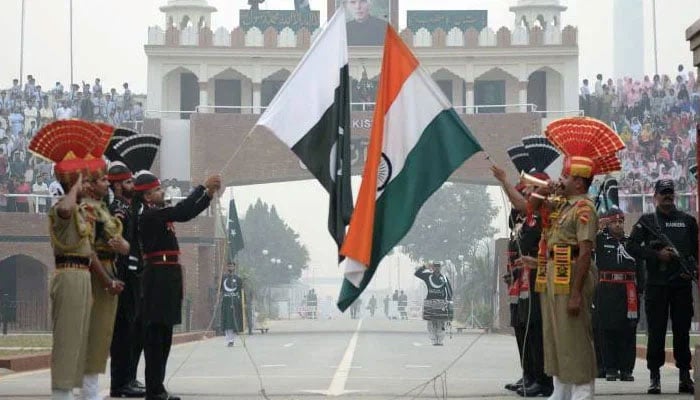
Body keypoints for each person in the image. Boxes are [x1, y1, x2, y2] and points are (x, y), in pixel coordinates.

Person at [519, 117, 625, 400]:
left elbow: (586, 250)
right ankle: (561, 387)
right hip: (555, 273)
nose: (560, 180)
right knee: (555, 333)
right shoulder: (563, 205)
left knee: (574, 336)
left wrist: (577, 292)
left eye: (565, 177)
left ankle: (582, 389)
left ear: (579, 181)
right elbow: (530, 207)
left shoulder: (584, 208)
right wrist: (544, 189)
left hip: (573, 275)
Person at [28, 120, 124, 400]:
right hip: (68, 274)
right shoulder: (62, 207)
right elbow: (66, 210)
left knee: (82, 338)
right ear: (73, 182)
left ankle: (74, 390)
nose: (90, 183)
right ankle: (61, 392)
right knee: (68, 337)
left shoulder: (86, 211)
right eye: (83, 179)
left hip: (83, 276)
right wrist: (75, 187)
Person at [135, 170, 221, 400]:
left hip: (168, 275)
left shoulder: (159, 213)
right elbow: (183, 212)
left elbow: (187, 212)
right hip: (157, 277)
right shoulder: (150, 215)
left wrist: (207, 196)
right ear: (146, 197)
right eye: (156, 190)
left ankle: (158, 386)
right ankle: (154, 388)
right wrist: (202, 189)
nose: (161, 192)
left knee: (165, 335)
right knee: (155, 336)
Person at [491, 139, 558, 397]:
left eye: (530, 189)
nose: (526, 193)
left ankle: (542, 379)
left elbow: (521, 205)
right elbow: (519, 208)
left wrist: (505, 181)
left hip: (539, 278)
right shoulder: (528, 217)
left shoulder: (545, 216)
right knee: (524, 329)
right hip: (522, 279)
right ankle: (529, 375)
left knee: (536, 330)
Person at [628, 178, 698, 395]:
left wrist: (693, 269)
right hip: (657, 285)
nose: (667, 196)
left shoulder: (688, 221)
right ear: (655, 196)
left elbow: (696, 251)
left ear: (674, 194)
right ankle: (654, 377)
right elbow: (631, 246)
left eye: (670, 192)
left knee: (682, 332)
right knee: (656, 332)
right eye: (663, 192)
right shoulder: (647, 221)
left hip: (681, 284)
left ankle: (685, 377)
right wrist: (656, 255)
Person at [81, 153, 131, 400]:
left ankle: (88, 389)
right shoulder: (89, 209)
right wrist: (106, 280)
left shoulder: (102, 208)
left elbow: (121, 242)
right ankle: (87, 391)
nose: (106, 183)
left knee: (103, 335)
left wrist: (125, 247)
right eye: (101, 179)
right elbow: (88, 249)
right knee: (95, 334)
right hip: (97, 274)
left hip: (108, 268)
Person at [107, 161, 146, 398]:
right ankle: (120, 383)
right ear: (119, 185)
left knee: (132, 330)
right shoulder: (118, 209)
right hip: (122, 273)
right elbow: (115, 242)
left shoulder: (128, 205)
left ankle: (128, 379)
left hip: (131, 272)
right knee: (123, 331)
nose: (134, 185)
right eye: (129, 181)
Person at [593, 208, 642, 382]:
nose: (618, 224)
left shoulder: (631, 242)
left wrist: (640, 289)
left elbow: (640, 267)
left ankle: (626, 369)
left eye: (621, 221)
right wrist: (600, 226)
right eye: (614, 221)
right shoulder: (600, 240)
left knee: (628, 330)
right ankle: (610, 367)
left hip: (628, 290)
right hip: (607, 290)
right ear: (608, 223)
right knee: (608, 330)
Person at [415, 263, 452, 346]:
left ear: (440, 268)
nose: (437, 268)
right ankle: (434, 340)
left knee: (441, 322)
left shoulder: (444, 278)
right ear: (433, 267)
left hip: (441, 302)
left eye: (438, 267)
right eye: (435, 266)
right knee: (431, 323)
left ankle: (440, 340)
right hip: (430, 302)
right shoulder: (428, 276)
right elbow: (417, 274)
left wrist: (449, 301)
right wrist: (424, 267)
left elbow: (449, 290)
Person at [221, 263, 244, 347]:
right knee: (227, 321)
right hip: (226, 302)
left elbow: (241, 291)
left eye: (232, 266)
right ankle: (229, 339)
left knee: (233, 321)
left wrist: (241, 302)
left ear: (234, 267)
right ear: (227, 267)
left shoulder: (238, 278)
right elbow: (220, 289)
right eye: (229, 266)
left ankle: (231, 339)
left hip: (235, 302)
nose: (230, 267)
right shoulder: (223, 278)